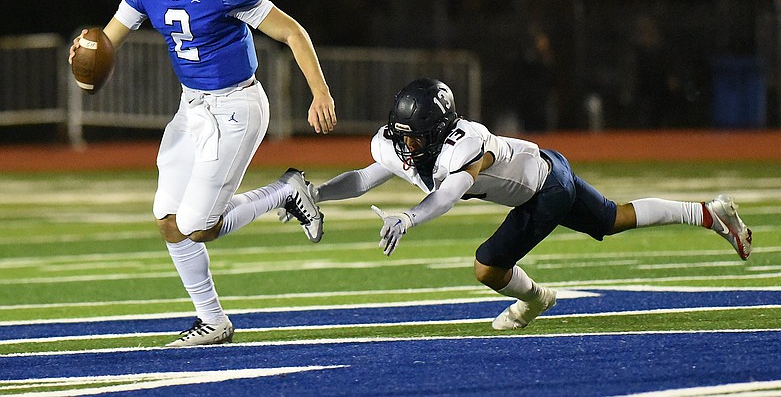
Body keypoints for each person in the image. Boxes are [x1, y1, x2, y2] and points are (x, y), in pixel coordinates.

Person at [68, 0, 335, 346]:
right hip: (192, 107)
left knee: (198, 225)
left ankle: (285, 191)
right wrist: (87, 63)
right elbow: (111, 37)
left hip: (236, 106)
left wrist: (320, 91)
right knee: (168, 220)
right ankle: (213, 321)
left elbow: (291, 31)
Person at [287, 78, 752, 331]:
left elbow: (449, 192)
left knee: (486, 268)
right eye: (401, 134)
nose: (404, 145)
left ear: (439, 132)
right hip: (549, 165)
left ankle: (534, 301)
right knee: (613, 218)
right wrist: (319, 193)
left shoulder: (464, 144)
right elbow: (368, 176)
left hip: (545, 191)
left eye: (414, 137)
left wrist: (409, 217)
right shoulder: (403, 144)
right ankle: (710, 213)